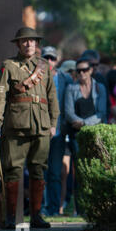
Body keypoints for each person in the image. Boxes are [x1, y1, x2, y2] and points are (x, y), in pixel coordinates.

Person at [0, 27, 60, 229]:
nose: (28, 44)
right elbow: (1, 95)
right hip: (16, 126)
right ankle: (11, 217)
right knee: (13, 171)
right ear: (18, 44)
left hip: (41, 126)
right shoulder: (9, 66)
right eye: (24, 41)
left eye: (32, 41)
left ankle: (37, 216)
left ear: (37, 44)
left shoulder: (45, 66)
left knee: (39, 171)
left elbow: (52, 97)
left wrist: (54, 123)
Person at [64, 58, 108, 215]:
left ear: (90, 70)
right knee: (80, 172)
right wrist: (80, 124)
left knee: (96, 169)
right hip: (76, 136)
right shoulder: (71, 88)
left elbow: (102, 113)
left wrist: (84, 124)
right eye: (78, 71)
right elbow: (68, 112)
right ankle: (80, 208)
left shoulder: (99, 88)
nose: (81, 73)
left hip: (95, 134)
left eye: (84, 70)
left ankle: (96, 207)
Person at [41, 47, 73, 216]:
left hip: (59, 133)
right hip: (40, 132)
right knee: (39, 172)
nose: (49, 61)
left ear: (57, 60)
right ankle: (39, 208)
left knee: (54, 172)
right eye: (46, 57)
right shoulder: (36, 78)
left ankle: (53, 208)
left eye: (52, 58)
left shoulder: (65, 79)